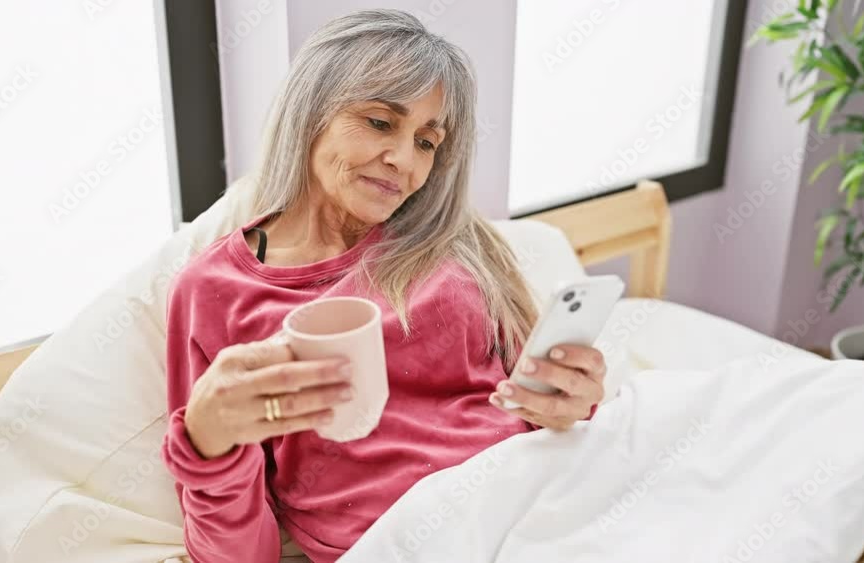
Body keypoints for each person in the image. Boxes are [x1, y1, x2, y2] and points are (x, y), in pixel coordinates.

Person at [161, 9, 604, 563]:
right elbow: (239, 556)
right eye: (378, 123)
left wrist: (575, 401)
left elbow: (543, 401)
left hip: (544, 499)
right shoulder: (214, 289)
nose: (403, 162)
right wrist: (207, 443)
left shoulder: (457, 241)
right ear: (310, 112)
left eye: (426, 141)